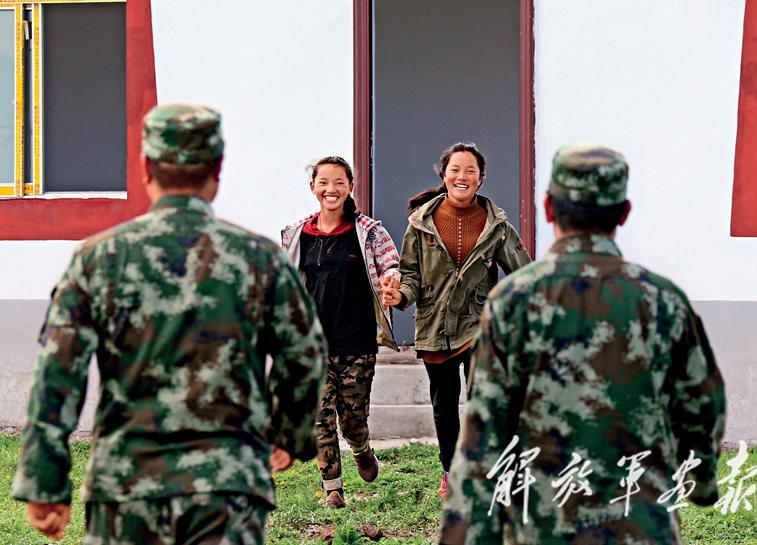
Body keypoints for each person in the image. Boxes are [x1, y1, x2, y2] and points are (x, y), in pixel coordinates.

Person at [12, 103, 327, 545]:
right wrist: (287, 434)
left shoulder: (100, 258)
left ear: (145, 167)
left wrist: (45, 482)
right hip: (227, 487)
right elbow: (305, 355)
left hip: (127, 485)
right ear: (217, 167)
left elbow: (58, 372)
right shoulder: (260, 259)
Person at [439, 143, 727, 545]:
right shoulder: (662, 299)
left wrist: (467, 535)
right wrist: (701, 480)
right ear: (623, 213)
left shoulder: (514, 301)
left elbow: (484, 431)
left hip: (543, 525)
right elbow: (702, 401)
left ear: (548, 209)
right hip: (641, 525)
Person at [382, 142, 532, 499]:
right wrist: (399, 296)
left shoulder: (497, 226)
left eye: (470, 171)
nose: (462, 176)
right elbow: (410, 276)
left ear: (480, 179)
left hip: (481, 326)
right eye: (455, 170)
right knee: (444, 406)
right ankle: (452, 472)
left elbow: (524, 276)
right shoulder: (420, 224)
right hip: (435, 326)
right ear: (444, 175)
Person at [281, 156, 401, 509]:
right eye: (323, 182)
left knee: (352, 420)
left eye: (338, 182)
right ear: (313, 187)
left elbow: (391, 264)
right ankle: (333, 489)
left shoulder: (369, 232)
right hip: (313, 345)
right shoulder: (296, 234)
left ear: (350, 186)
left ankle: (361, 449)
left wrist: (391, 281)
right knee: (319, 419)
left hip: (357, 343)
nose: (330, 189)